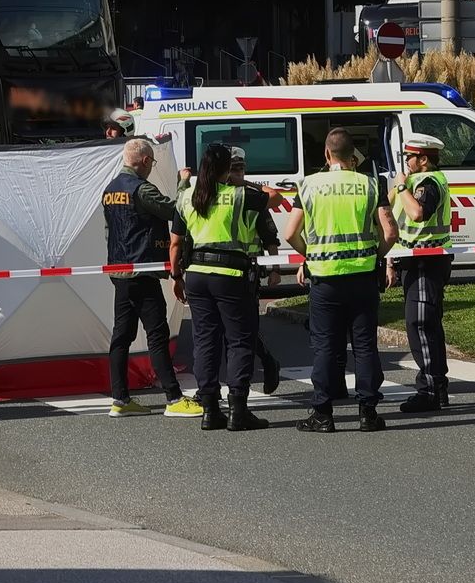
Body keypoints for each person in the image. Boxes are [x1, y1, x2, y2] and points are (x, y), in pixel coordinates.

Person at [287, 127, 396, 433]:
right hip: (362, 278)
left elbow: (289, 233)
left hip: (325, 281)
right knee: (364, 346)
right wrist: (376, 255)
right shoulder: (371, 185)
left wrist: (310, 256)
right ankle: (368, 412)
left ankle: (322, 413)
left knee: (325, 347)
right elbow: (390, 232)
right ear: (353, 157)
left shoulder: (308, 185)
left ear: (326, 154)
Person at [170, 141, 277, 432]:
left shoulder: (187, 197)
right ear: (225, 169)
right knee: (239, 340)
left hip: (195, 275)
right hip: (230, 274)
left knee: (205, 342)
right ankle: (238, 411)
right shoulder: (239, 195)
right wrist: (246, 181)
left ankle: (210, 411)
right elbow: (275, 197)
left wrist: (176, 277)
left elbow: (176, 243)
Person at [98, 139, 196, 417]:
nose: (152, 167)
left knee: (122, 336)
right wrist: (183, 183)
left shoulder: (111, 189)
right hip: (143, 269)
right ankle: (174, 398)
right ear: (143, 161)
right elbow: (175, 211)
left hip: (119, 271)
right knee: (157, 335)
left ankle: (120, 399)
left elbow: (110, 232)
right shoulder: (142, 189)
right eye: (152, 162)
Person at [391, 130, 455, 414]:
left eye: (410, 157)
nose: (407, 161)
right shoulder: (420, 180)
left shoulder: (427, 182)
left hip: (425, 261)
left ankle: (429, 389)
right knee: (428, 324)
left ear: (424, 160)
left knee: (421, 325)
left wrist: (402, 188)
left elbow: (418, 213)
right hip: (415, 260)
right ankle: (437, 388)